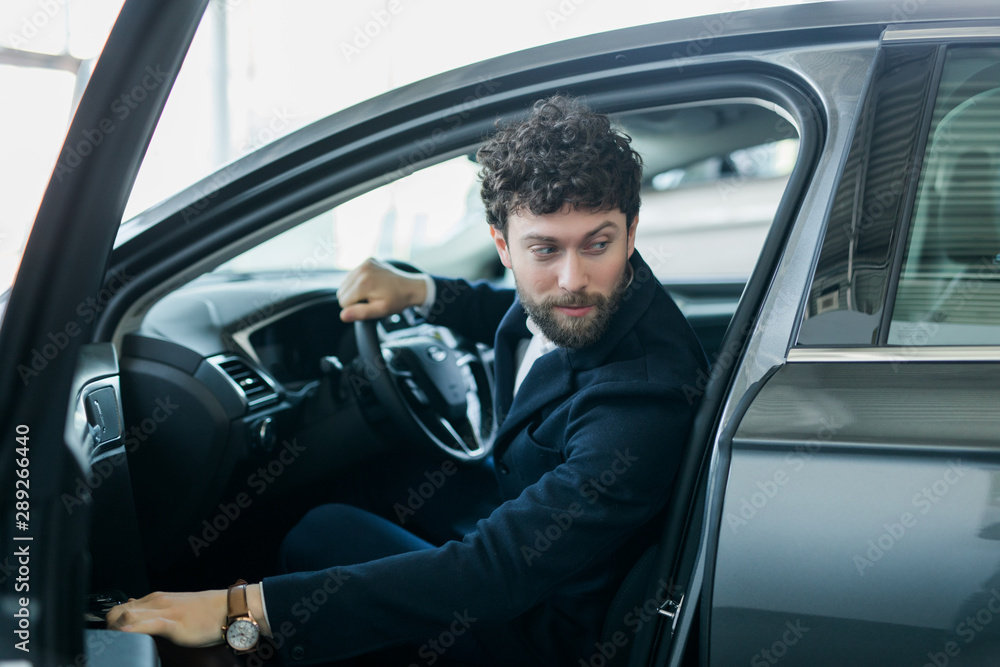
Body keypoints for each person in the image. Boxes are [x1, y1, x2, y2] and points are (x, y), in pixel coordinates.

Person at [107, 95, 707, 665]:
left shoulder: (641, 399)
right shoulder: (583, 297)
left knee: (324, 531)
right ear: (502, 245)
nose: (572, 278)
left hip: (549, 631)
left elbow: (492, 573)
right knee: (386, 472)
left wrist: (236, 609)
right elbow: (507, 310)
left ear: (630, 232)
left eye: (597, 244)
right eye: (545, 249)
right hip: (535, 535)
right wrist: (421, 291)